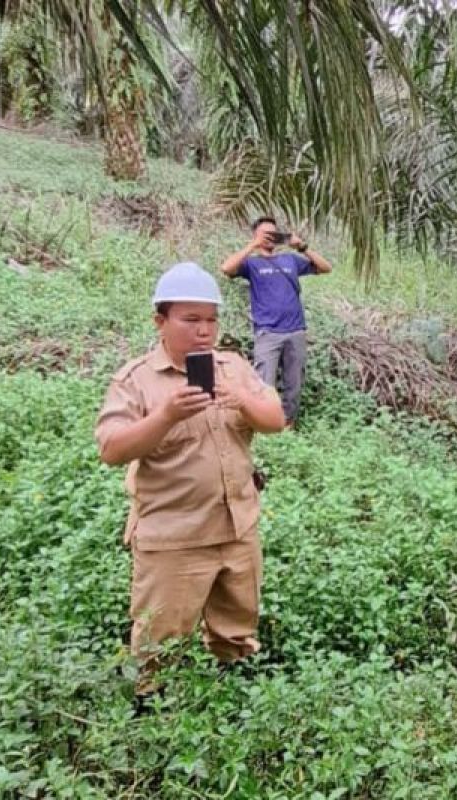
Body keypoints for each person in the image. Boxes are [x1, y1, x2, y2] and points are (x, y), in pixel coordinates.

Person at [95, 262, 286, 699]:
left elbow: (276, 418)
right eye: (191, 320)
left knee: (237, 628)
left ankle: (233, 697)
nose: (205, 331)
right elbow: (111, 449)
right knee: (160, 640)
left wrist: (239, 398)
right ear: (160, 322)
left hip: (238, 527)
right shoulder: (137, 380)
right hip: (174, 537)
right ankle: (153, 714)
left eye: (212, 320)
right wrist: (166, 415)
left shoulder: (233, 367)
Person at [219, 216, 333, 428]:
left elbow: (326, 268)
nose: (270, 238)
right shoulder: (251, 264)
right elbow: (226, 268)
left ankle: (287, 424)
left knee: (294, 382)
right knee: (263, 383)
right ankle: (262, 424)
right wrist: (253, 245)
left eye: (273, 233)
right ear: (256, 235)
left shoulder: (290, 260)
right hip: (267, 332)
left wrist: (302, 247)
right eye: (265, 234)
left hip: (295, 331)